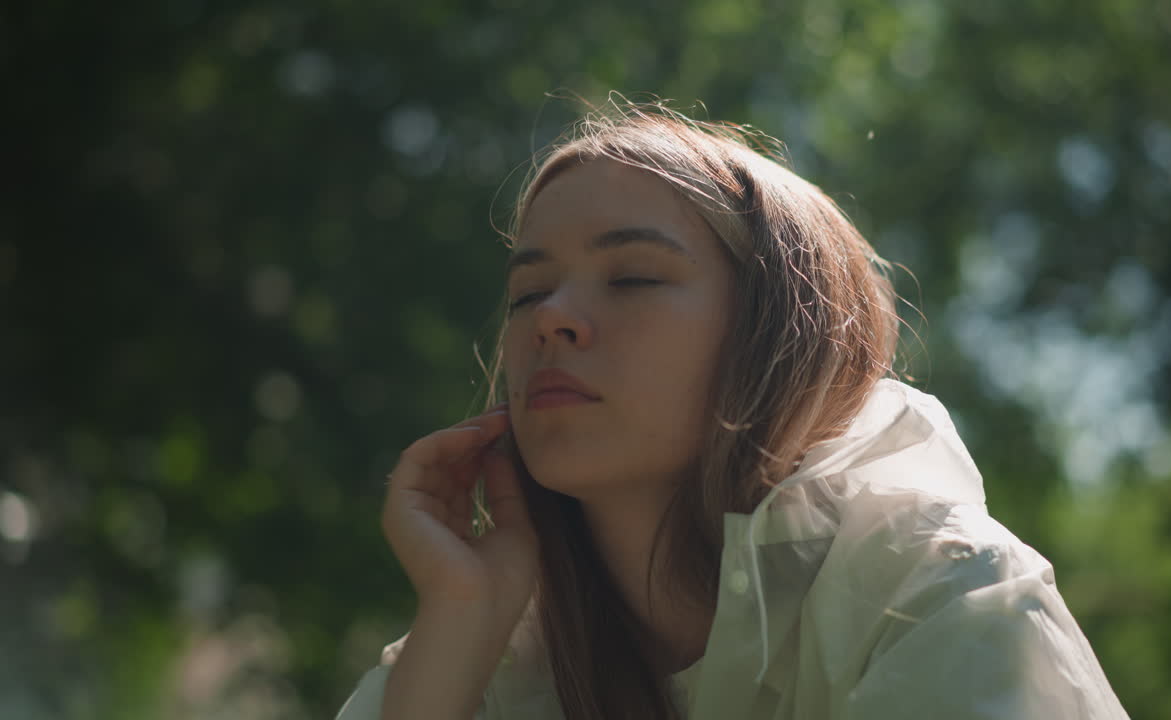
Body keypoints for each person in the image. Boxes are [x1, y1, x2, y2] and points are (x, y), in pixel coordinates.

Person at [335, 101, 1129, 720]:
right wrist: (456, 627)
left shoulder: (937, 595)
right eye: (528, 292)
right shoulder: (489, 653)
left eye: (633, 278)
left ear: (776, 334)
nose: (552, 319)